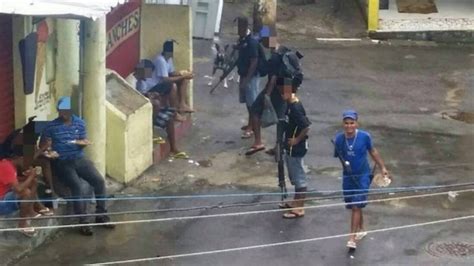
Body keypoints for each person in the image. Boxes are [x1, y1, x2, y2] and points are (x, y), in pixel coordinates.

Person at [41, 96, 115, 236]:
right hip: (62, 161)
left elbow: (83, 140)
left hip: (79, 158)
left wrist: (82, 143)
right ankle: (83, 221)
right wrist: (49, 152)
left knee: (98, 181)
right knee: (77, 185)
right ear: (57, 111)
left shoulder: (80, 123)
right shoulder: (50, 127)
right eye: (61, 111)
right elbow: (44, 147)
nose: (63, 114)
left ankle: (101, 215)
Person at [333, 110, 390, 249]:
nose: (349, 126)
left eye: (352, 123)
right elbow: (340, 157)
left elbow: (373, 151)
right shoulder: (339, 139)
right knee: (355, 204)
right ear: (343, 124)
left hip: (363, 176)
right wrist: (346, 170)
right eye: (346, 123)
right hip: (348, 177)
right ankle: (362, 228)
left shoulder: (365, 137)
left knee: (356, 206)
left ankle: (352, 238)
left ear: (356, 123)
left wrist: (383, 168)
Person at [133, 60, 189, 159]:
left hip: (153, 109)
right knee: (157, 104)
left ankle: (173, 149)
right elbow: (136, 98)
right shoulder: (134, 81)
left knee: (169, 118)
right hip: (143, 112)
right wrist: (149, 97)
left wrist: (152, 95)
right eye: (148, 73)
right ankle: (152, 130)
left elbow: (144, 94)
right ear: (142, 71)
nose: (149, 76)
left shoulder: (142, 81)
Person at [246, 39, 287, 156]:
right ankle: (278, 146)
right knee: (282, 117)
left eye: (264, 41)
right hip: (287, 86)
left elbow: (273, 78)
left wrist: (267, 95)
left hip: (275, 88)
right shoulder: (284, 50)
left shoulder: (274, 56)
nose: (262, 44)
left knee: (254, 110)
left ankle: (258, 142)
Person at [278, 77, 311, 219]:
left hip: (296, 149)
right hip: (289, 147)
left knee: (299, 178)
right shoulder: (289, 104)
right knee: (294, 176)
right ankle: (295, 202)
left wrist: (297, 140)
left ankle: (299, 208)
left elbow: (306, 126)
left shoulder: (295, 107)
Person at [0, 150, 53, 236]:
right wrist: (31, 176)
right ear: (20, 158)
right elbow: (18, 189)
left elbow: (13, 181)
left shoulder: (9, 165)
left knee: (33, 182)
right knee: (25, 192)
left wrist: (29, 177)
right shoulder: (6, 167)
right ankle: (22, 224)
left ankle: (31, 211)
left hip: (4, 194)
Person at [152, 40, 194, 115]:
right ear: (168, 52)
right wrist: (183, 76)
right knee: (173, 86)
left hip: (163, 82)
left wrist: (183, 73)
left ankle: (182, 105)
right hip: (156, 84)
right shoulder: (160, 60)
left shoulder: (169, 59)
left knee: (184, 80)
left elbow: (171, 73)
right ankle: (175, 113)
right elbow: (166, 79)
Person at [236, 17, 261, 139]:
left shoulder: (251, 42)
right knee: (247, 102)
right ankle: (250, 124)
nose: (237, 30)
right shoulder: (243, 39)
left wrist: (246, 81)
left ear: (245, 27)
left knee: (253, 103)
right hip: (244, 74)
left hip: (251, 77)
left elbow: (254, 61)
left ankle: (252, 128)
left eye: (239, 27)